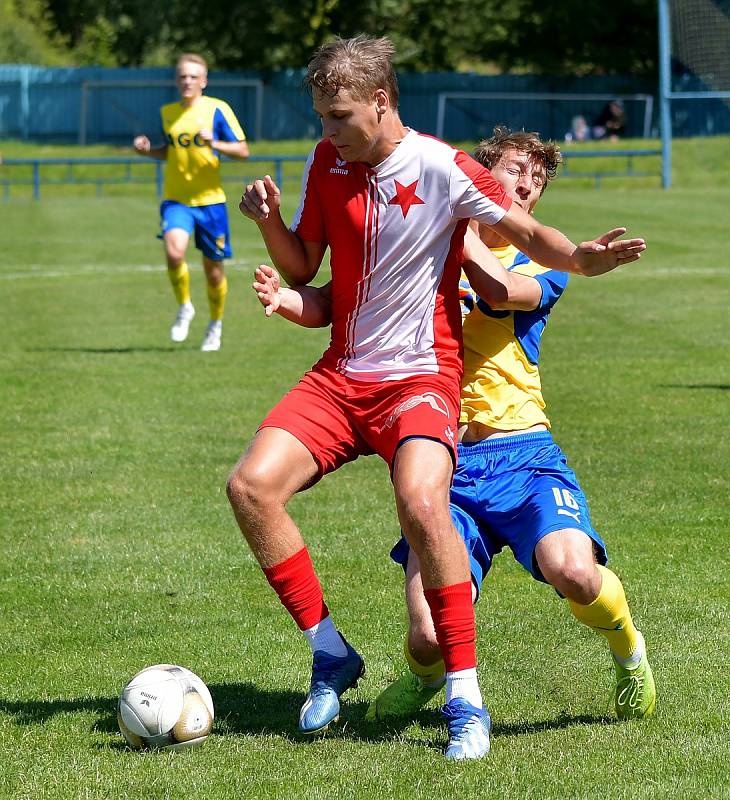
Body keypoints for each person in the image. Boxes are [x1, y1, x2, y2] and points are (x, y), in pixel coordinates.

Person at [232, 35, 645, 761]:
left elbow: (524, 235)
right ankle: (330, 653)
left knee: (427, 507)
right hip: (343, 374)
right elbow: (308, 265)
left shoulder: (442, 168)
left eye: (340, 116)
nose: (328, 131)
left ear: (382, 104)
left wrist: (579, 259)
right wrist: (268, 224)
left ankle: (466, 700)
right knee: (250, 487)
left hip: (426, 384)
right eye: (322, 116)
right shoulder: (326, 160)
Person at [133, 53, 249, 351]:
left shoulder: (217, 110)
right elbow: (169, 151)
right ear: (177, 80)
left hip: (211, 203)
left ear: (204, 81)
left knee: (213, 273)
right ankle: (185, 306)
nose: (187, 81)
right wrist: (148, 151)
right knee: (174, 253)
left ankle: (215, 325)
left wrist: (215, 143)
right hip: (176, 200)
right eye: (183, 76)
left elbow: (242, 150)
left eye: (193, 76)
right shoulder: (168, 112)